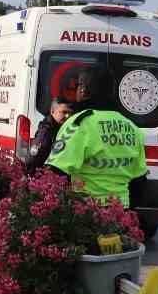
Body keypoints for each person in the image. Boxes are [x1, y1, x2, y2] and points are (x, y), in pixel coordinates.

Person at [44, 66, 149, 207]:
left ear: (82, 90)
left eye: (79, 85)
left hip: (86, 213)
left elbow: (55, 171)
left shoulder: (80, 124)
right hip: (120, 212)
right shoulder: (131, 126)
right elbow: (139, 181)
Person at [27, 97, 74, 175]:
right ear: (52, 111)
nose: (67, 116)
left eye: (70, 113)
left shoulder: (60, 128)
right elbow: (32, 160)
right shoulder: (46, 132)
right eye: (64, 112)